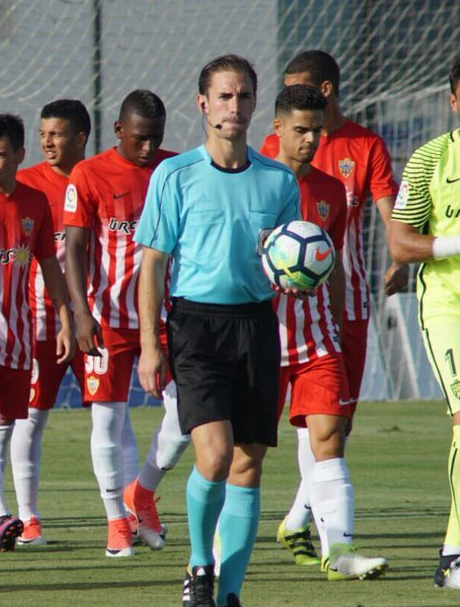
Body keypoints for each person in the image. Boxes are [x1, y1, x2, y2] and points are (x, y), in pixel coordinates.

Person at [135, 54, 300, 607]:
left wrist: (299, 278)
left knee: (249, 463)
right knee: (214, 455)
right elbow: (153, 263)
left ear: (256, 103)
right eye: (224, 97)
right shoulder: (174, 174)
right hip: (195, 326)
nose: (235, 106)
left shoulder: (278, 180)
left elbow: (287, 260)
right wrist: (150, 345)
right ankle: (199, 564)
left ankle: (228, 593)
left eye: (244, 96)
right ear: (203, 104)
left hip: (256, 325)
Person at [260, 51, 404, 563]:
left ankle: (321, 537)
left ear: (324, 92)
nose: (307, 138)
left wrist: (401, 254)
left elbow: (384, 218)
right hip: (266, 325)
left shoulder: (362, 150)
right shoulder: (263, 165)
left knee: (333, 423)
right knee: (243, 449)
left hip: (338, 314)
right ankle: (220, 551)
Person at [65, 91, 191, 555]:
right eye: (140, 139)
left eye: (155, 140)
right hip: (108, 320)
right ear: (119, 130)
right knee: (107, 421)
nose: (147, 149)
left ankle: (141, 492)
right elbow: (74, 248)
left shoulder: (176, 169)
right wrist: (81, 312)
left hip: (166, 318)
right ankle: (116, 520)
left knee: (185, 418)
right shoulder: (89, 174)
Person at [0, 113, 73, 552]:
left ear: (19, 155)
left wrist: (64, 316)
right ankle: (4, 515)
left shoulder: (35, 204)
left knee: (4, 429)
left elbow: (48, 265)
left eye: (0, 154)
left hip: (18, 338)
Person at [388, 58, 460, 590]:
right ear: (454, 100)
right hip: (447, 307)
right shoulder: (429, 160)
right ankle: (455, 555)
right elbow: (401, 242)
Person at [10, 99, 89, 546]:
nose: (46, 141)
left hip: (91, 321)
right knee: (31, 419)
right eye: (43, 133)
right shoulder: (26, 185)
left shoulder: (94, 177)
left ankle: (130, 511)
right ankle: (26, 517)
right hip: (39, 324)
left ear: (80, 137)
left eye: (56, 133)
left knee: (110, 419)